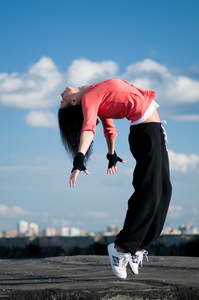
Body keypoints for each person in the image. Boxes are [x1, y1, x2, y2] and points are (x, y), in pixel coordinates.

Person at [58, 78, 172, 279]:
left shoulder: (95, 91)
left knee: (164, 191)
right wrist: (79, 159)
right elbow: (88, 128)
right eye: (62, 102)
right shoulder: (89, 99)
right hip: (144, 133)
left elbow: (109, 129)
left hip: (155, 131)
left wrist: (111, 155)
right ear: (74, 102)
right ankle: (121, 248)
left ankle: (139, 247)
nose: (61, 96)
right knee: (149, 191)